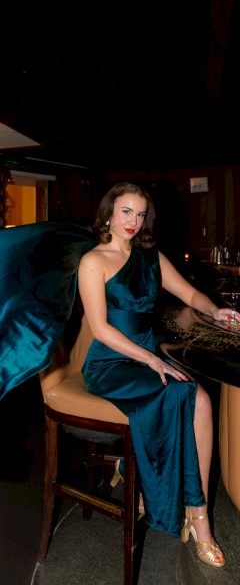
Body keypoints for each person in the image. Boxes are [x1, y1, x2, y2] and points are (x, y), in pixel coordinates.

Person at [78, 181, 240, 570]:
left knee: (200, 399)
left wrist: (215, 310)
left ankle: (195, 512)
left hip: (148, 355)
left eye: (139, 213)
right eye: (125, 211)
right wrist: (152, 361)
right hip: (112, 363)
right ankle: (193, 517)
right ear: (108, 214)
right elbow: (100, 329)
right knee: (179, 393)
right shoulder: (93, 261)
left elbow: (191, 295)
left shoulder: (152, 258)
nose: (133, 221)